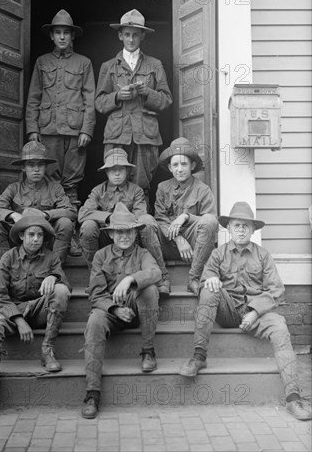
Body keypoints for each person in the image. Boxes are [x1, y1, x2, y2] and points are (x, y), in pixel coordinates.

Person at [178, 202, 312, 421]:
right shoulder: (217, 254)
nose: (241, 230)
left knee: (279, 325)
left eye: (245, 226)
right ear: (229, 228)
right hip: (227, 310)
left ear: (253, 230)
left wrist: (255, 311)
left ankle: (293, 397)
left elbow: (276, 290)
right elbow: (205, 278)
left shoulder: (263, 255)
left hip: (256, 311)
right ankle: (199, 355)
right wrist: (210, 278)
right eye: (237, 225)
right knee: (209, 290)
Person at [0, 209, 71, 421]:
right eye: (31, 234)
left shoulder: (51, 257)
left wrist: (54, 277)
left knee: (61, 291)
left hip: (38, 310)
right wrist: (18, 320)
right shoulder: (9, 258)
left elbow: (67, 287)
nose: (36, 239)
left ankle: (47, 350)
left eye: (40, 235)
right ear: (21, 236)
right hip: (11, 312)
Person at [81, 203, 161, 419]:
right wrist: (114, 309)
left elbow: (155, 272)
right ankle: (92, 393)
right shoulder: (100, 256)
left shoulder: (142, 253)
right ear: (112, 234)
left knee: (151, 289)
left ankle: (148, 350)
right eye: (119, 232)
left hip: (138, 309)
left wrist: (130, 279)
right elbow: (96, 295)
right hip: (110, 312)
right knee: (94, 321)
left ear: (135, 233)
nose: (124, 236)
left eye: (128, 231)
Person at [95, 9, 172, 198]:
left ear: (142, 36)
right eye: (127, 35)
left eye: (135, 35)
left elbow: (166, 100)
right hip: (117, 135)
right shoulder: (108, 66)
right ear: (120, 35)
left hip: (145, 135)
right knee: (116, 184)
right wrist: (117, 96)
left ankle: (142, 222)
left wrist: (147, 92)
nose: (131, 39)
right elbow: (99, 102)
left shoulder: (155, 65)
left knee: (142, 185)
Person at [25, 9, 96, 205]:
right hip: (48, 129)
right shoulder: (42, 62)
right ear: (51, 35)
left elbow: (90, 99)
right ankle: (53, 223)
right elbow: (34, 97)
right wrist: (32, 128)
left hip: (75, 131)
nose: (62, 37)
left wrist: (87, 131)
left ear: (72, 35)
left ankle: (70, 223)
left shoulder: (84, 63)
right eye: (58, 32)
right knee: (50, 178)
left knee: (72, 182)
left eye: (66, 32)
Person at [78, 148, 170, 294]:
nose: (116, 173)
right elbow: (83, 214)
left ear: (127, 171)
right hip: (107, 237)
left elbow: (140, 215)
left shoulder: (136, 190)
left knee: (147, 220)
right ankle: (96, 278)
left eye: (120, 169)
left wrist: (122, 220)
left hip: (130, 237)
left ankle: (162, 276)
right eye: (112, 170)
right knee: (88, 226)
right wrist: (108, 218)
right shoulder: (98, 191)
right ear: (106, 172)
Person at [0, 141, 76, 265]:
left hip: (45, 239)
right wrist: (13, 215)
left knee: (65, 222)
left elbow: (70, 211)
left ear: (45, 167)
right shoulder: (14, 188)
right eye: (31, 165)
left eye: (40, 165)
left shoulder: (55, 188)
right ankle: (7, 266)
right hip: (18, 239)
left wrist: (46, 215)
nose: (36, 169)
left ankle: (55, 267)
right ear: (23, 167)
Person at [155, 137, 218, 295]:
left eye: (184, 164)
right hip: (168, 244)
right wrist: (178, 239)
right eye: (175, 165)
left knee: (210, 221)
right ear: (170, 167)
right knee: (146, 223)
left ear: (193, 166)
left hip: (194, 248)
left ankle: (194, 278)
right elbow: (160, 219)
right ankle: (162, 277)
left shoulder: (203, 190)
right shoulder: (162, 188)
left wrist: (186, 216)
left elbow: (210, 220)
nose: (180, 169)